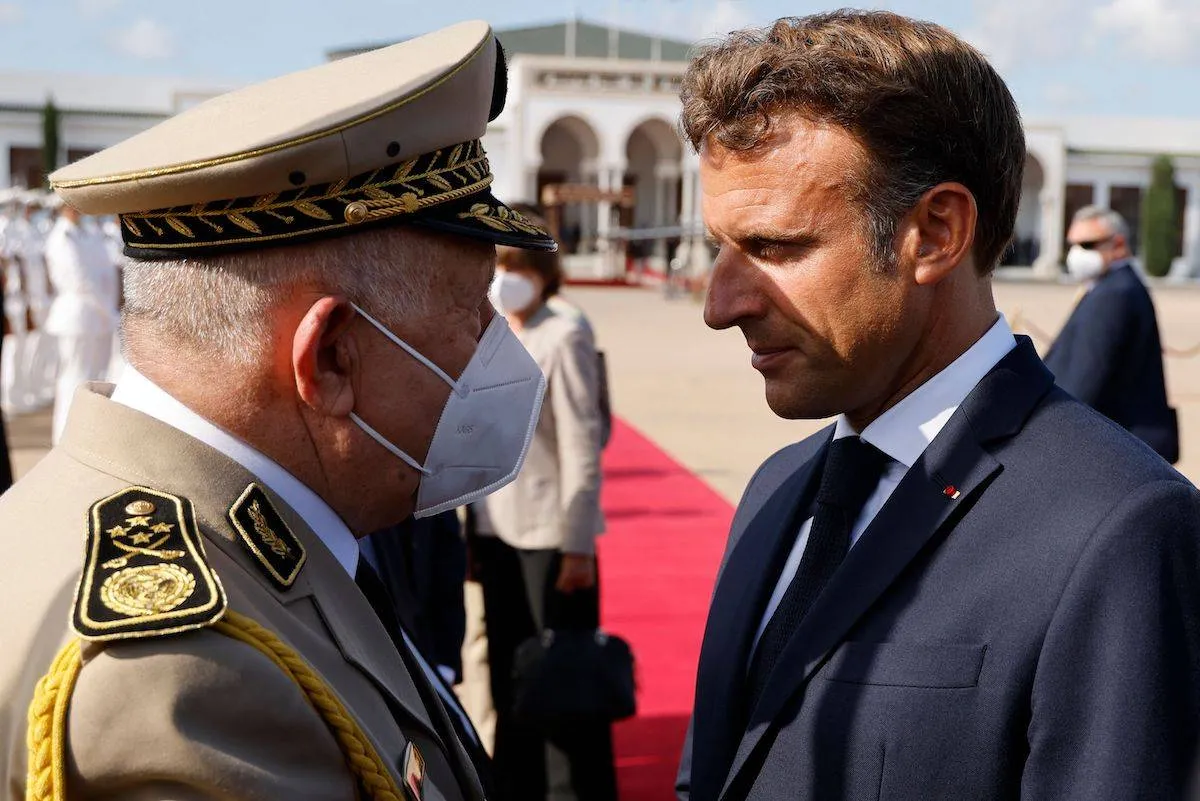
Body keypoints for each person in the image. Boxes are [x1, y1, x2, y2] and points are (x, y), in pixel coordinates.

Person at [0, 20, 561, 800]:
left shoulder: (229, 544)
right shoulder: (186, 680)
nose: (494, 347)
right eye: (471, 313)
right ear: (329, 357)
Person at [675, 11, 1200, 801]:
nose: (720, 305)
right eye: (722, 246)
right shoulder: (776, 488)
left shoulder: (1120, 528)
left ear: (936, 232)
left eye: (775, 246)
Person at [470, 223, 616, 801]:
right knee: (510, 679)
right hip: (494, 529)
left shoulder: (564, 334)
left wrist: (578, 545)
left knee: (561, 688)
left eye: (519, 268)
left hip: (551, 535)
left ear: (543, 274)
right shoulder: (492, 332)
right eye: (500, 266)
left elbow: (583, 443)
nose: (507, 280)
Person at [1044, 205, 1178, 462]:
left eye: (1087, 245)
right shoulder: (1113, 285)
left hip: (1118, 448)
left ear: (1118, 244)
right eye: (1073, 245)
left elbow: (1083, 381)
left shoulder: (1115, 294)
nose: (1076, 254)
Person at [43, 201, 119, 443]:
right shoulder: (62, 238)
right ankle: (64, 437)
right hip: (76, 317)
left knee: (94, 379)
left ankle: (86, 434)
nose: (77, 209)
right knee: (74, 379)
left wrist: (108, 309)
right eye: (72, 205)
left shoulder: (84, 233)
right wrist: (108, 310)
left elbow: (104, 272)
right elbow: (80, 280)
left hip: (95, 317)